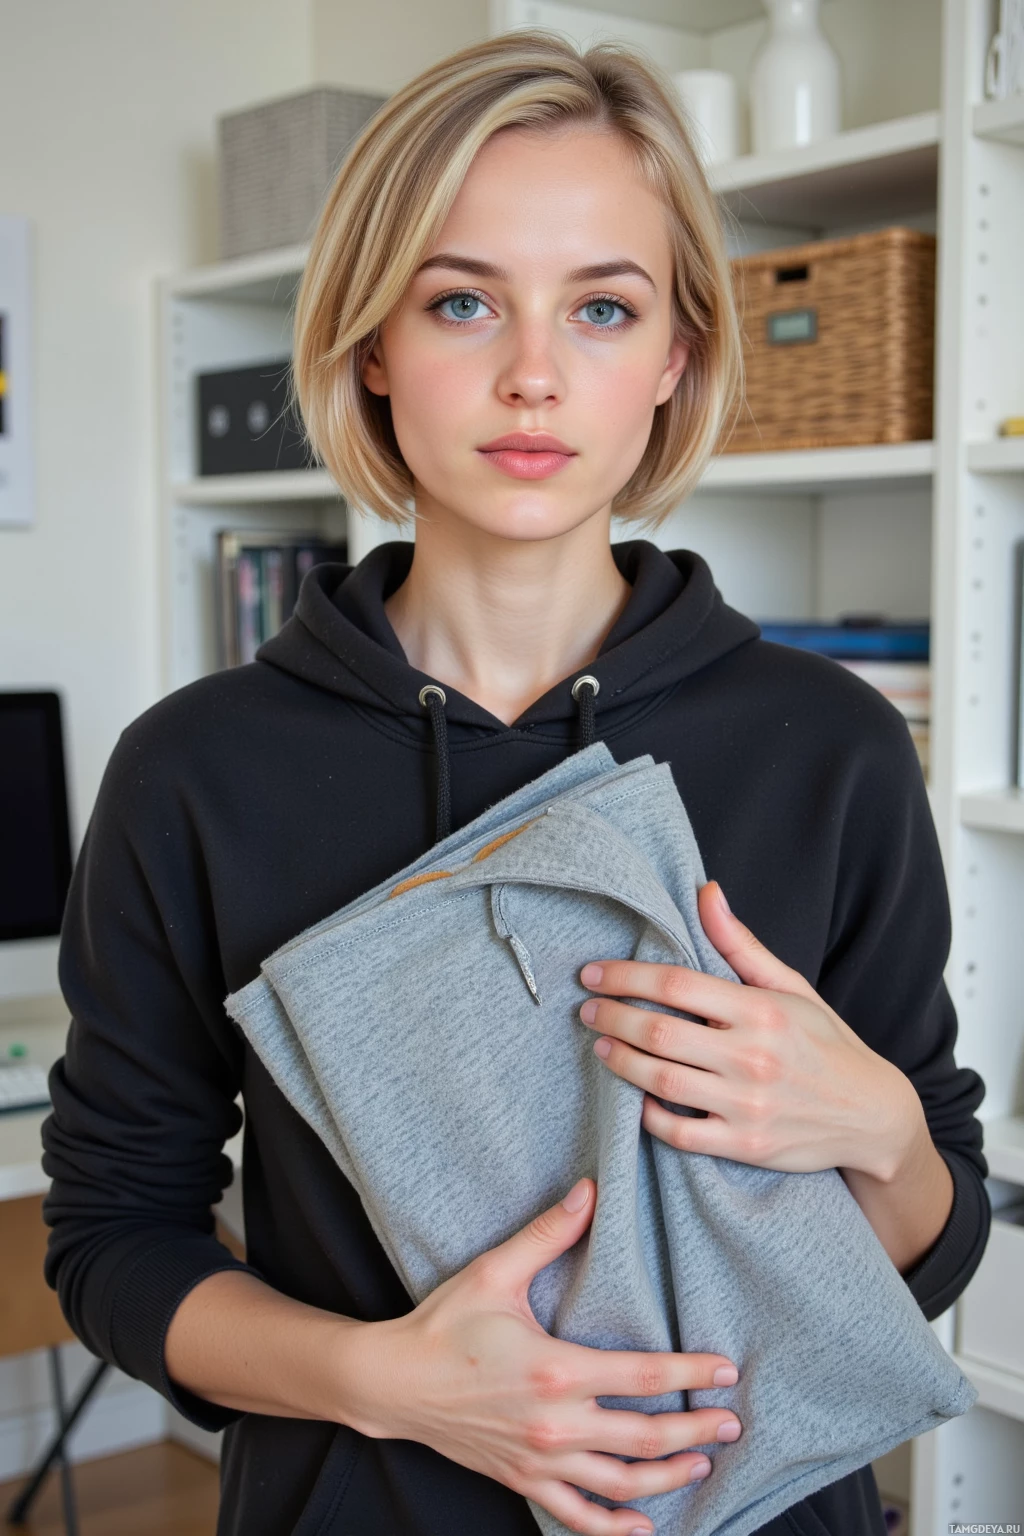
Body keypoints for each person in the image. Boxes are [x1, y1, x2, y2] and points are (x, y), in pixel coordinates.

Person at [41, 30, 990, 1536]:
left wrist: (879, 1127)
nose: (534, 375)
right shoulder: (197, 769)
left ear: (675, 357)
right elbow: (111, 1240)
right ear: (372, 344)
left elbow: (927, 1255)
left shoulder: (834, 747)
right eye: (463, 301)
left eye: (603, 308)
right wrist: (391, 1381)